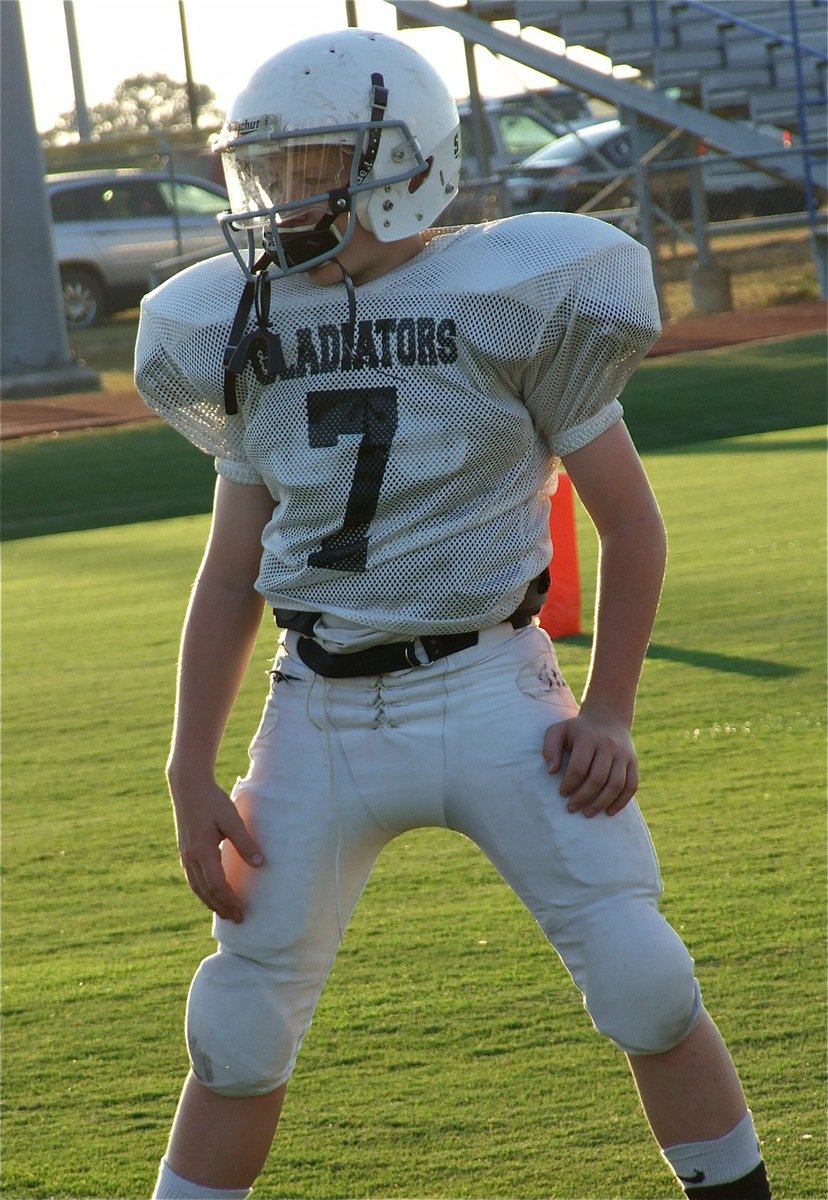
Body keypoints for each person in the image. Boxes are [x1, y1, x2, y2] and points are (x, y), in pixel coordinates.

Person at [135, 28, 771, 1200]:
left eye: (311, 166)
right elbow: (230, 574)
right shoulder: (248, 324)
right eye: (267, 170)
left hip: (492, 687)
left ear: (401, 164)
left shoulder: (513, 291)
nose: (281, 195)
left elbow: (633, 524)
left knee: (644, 979)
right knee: (235, 1028)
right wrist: (187, 763)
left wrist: (617, 710)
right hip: (315, 706)